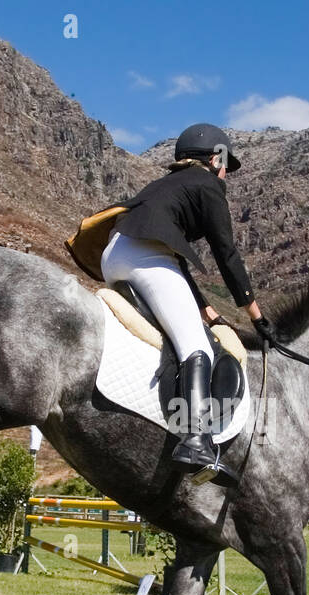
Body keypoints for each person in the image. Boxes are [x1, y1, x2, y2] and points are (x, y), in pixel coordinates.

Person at [100, 123, 274, 483]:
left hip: (116, 253)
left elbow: (174, 264)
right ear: (216, 159)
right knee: (198, 349)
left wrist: (208, 311)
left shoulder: (166, 186)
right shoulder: (208, 185)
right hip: (145, 257)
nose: (226, 175)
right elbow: (227, 255)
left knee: (188, 333)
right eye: (227, 166)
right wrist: (256, 316)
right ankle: (195, 439)